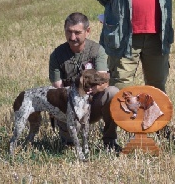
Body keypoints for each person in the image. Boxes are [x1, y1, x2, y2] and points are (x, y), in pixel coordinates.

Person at [49, 12, 121, 152]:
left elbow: (103, 79)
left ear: (87, 31)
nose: (72, 37)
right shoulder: (57, 55)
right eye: (69, 32)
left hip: (93, 103)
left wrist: (95, 90)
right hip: (69, 105)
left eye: (77, 32)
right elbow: (58, 87)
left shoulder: (97, 50)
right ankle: (68, 140)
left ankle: (110, 141)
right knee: (56, 98)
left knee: (113, 92)